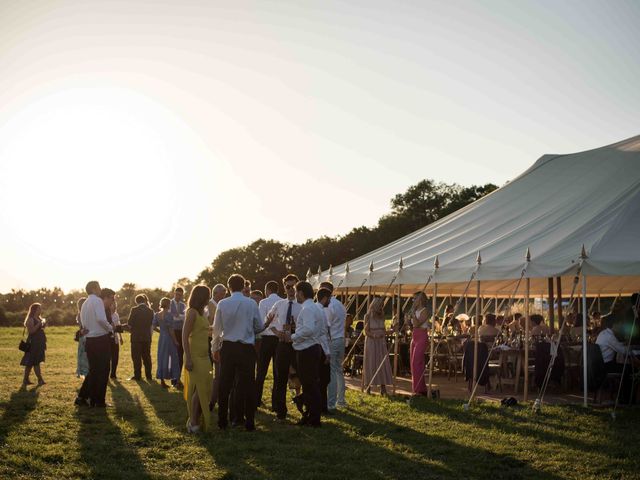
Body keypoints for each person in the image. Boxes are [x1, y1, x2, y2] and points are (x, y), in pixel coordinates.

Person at [212, 274, 274, 431]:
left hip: (228, 347)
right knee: (247, 385)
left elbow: (217, 330)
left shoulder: (222, 304)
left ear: (229, 287)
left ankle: (222, 421)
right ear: (242, 286)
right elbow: (258, 328)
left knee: (225, 385)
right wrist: (267, 323)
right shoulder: (251, 303)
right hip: (246, 348)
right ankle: (249, 422)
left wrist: (215, 348)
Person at [289, 282, 327, 427]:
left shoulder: (307, 309)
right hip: (314, 347)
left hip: (307, 350)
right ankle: (310, 415)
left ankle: (314, 418)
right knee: (310, 385)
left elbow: (309, 329)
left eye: (296, 292)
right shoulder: (316, 308)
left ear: (301, 293)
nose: (295, 295)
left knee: (310, 385)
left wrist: (293, 336)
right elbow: (321, 330)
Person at [268, 274, 303, 422]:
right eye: (288, 287)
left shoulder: (302, 305)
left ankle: (304, 408)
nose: (290, 290)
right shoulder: (279, 304)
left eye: (293, 287)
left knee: (302, 377)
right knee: (280, 378)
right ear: (284, 288)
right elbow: (268, 320)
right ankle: (281, 413)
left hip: (298, 345)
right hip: (282, 344)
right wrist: (277, 332)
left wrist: (295, 331)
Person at [76, 282, 114, 408]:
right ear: (94, 289)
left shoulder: (85, 303)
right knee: (103, 371)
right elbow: (101, 319)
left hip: (90, 340)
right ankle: (99, 401)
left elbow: (83, 322)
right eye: (99, 287)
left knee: (93, 371)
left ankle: (87, 398)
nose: (100, 289)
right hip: (100, 339)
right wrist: (110, 329)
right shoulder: (97, 300)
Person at [183, 285, 214, 432]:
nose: (209, 298)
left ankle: (197, 419)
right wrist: (188, 358)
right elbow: (184, 336)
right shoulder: (192, 313)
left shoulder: (203, 312)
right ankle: (193, 421)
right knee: (198, 389)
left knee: (207, 388)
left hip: (205, 356)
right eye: (207, 296)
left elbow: (203, 332)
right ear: (201, 297)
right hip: (194, 356)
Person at [319, 281, 348, 412]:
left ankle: (331, 403)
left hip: (332, 340)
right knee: (338, 370)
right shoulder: (341, 305)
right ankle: (341, 399)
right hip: (341, 339)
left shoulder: (328, 306)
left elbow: (326, 326)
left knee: (331, 372)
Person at [256, 280, 281, 409]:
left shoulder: (263, 302)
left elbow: (261, 322)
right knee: (277, 372)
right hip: (278, 339)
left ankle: (256, 400)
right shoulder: (283, 302)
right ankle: (276, 403)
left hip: (266, 339)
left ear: (267, 290)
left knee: (261, 371)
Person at [363, 297, 393, 396]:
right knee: (371, 362)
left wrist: (390, 331)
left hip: (381, 342)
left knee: (382, 362)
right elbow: (366, 331)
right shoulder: (367, 316)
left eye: (382, 306)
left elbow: (383, 330)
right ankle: (368, 386)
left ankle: (383, 387)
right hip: (372, 341)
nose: (381, 307)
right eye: (380, 305)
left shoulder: (382, 315)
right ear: (375, 305)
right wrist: (375, 335)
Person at [208, 283, 228, 411]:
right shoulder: (209, 305)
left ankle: (215, 399)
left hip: (219, 340)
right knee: (212, 372)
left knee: (219, 373)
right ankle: (210, 399)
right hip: (210, 340)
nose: (224, 297)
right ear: (216, 293)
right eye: (222, 294)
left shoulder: (221, 304)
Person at [154, 297, 181, 388]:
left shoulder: (157, 314)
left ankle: (162, 380)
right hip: (169, 339)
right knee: (173, 358)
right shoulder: (169, 315)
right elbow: (171, 330)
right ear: (168, 304)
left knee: (161, 357)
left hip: (162, 338)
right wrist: (176, 341)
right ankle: (177, 380)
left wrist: (161, 332)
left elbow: (153, 326)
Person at [127, 294, 154, 381]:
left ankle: (137, 375)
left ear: (136, 301)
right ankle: (149, 375)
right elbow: (151, 324)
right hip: (146, 337)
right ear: (144, 301)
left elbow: (130, 323)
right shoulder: (150, 311)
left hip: (136, 337)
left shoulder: (134, 310)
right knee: (147, 357)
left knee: (136, 357)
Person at [20, 303, 47, 386]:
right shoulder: (30, 319)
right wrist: (39, 324)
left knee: (31, 362)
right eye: (39, 308)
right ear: (34, 310)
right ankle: (40, 380)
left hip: (39, 343)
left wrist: (43, 323)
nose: (40, 310)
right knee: (35, 361)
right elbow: (31, 331)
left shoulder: (38, 318)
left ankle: (25, 380)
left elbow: (41, 329)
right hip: (33, 343)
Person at [410, 292, 430, 396]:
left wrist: (413, 314)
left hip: (422, 336)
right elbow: (413, 325)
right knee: (413, 363)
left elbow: (417, 324)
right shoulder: (416, 311)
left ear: (420, 299)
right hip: (414, 336)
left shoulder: (424, 311)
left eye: (415, 299)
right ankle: (419, 389)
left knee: (416, 362)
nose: (413, 301)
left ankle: (419, 389)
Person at [316, 288, 332, 415]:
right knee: (323, 379)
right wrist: (327, 352)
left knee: (321, 380)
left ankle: (322, 406)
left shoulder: (316, 309)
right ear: (325, 298)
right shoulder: (321, 311)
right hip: (321, 348)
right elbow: (323, 334)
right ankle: (321, 407)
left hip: (317, 347)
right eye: (329, 298)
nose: (330, 301)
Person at [171, 287, 187, 387]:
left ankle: (177, 378)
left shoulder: (183, 305)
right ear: (174, 293)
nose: (178, 296)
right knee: (172, 355)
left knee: (180, 355)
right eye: (177, 294)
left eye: (180, 295)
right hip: (172, 332)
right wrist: (179, 317)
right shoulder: (169, 303)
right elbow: (170, 317)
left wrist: (179, 316)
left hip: (181, 331)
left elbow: (185, 317)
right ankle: (173, 378)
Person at [75, 297, 89, 378]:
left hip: (85, 335)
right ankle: (85, 371)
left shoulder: (83, 313)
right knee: (84, 355)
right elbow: (83, 326)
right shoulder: (80, 314)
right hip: (84, 336)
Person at [110, 301, 123, 379]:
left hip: (115, 338)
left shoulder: (116, 315)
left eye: (115, 305)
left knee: (115, 357)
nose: (114, 307)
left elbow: (118, 326)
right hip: (108, 338)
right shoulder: (106, 314)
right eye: (113, 305)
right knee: (108, 357)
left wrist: (121, 337)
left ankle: (113, 373)